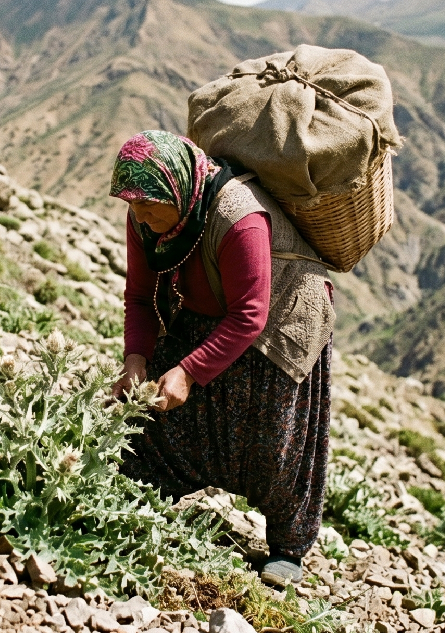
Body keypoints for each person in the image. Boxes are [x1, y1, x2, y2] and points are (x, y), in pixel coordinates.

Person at [108, 130, 336, 586]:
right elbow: (139, 296)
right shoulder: (146, 220)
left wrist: (190, 372)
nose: (141, 215)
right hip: (208, 306)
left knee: (274, 438)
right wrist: (135, 357)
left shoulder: (239, 218)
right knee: (155, 407)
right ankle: (148, 490)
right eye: (132, 204)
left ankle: (288, 547)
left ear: (177, 189)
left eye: (149, 204)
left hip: (282, 318)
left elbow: (250, 314)